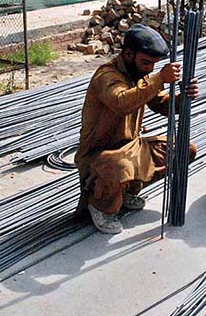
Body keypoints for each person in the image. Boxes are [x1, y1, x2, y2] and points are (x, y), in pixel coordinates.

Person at [75, 24, 199, 234]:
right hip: (101, 156)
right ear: (128, 54)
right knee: (119, 166)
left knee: (185, 150)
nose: (150, 68)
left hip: (132, 147)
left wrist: (183, 98)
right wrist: (159, 79)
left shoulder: (139, 73)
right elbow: (121, 102)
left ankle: (124, 191)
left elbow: (161, 104)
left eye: (154, 64)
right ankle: (100, 204)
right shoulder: (107, 76)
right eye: (146, 62)